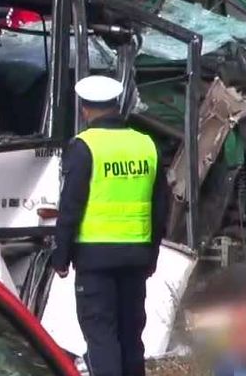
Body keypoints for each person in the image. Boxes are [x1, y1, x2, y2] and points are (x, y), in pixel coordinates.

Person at [51, 75, 169, 376]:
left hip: (95, 261)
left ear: (85, 109)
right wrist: (151, 255)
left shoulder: (84, 146)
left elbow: (71, 207)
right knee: (131, 339)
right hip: (136, 259)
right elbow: (160, 207)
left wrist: (61, 258)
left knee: (102, 339)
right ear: (117, 105)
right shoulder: (146, 145)